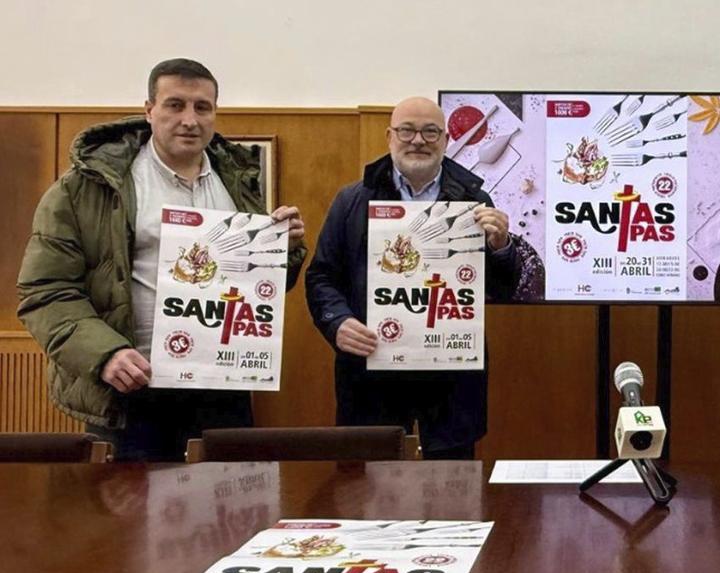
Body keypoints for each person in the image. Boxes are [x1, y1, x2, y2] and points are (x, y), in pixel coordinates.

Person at [16, 58, 307, 462]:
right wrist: (105, 354)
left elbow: (258, 289)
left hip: (223, 387)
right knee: (127, 520)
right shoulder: (85, 188)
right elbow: (44, 291)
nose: (189, 119)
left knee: (224, 517)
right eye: (175, 105)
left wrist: (282, 248)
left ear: (215, 113)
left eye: (202, 107)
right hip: (132, 390)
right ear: (149, 109)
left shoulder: (237, 181)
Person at [306, 97, 520, 459]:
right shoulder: (352, 201)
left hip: (450, 378)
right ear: (390, 136)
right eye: (407, 130)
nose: (417, 140)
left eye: (430, 131)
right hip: (372, 372)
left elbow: (500, 287)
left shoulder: (475, 200)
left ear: (447, 140)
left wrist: (501, 247)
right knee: (366, 493)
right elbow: (321, 277)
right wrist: (337, 321)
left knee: (452, 490)